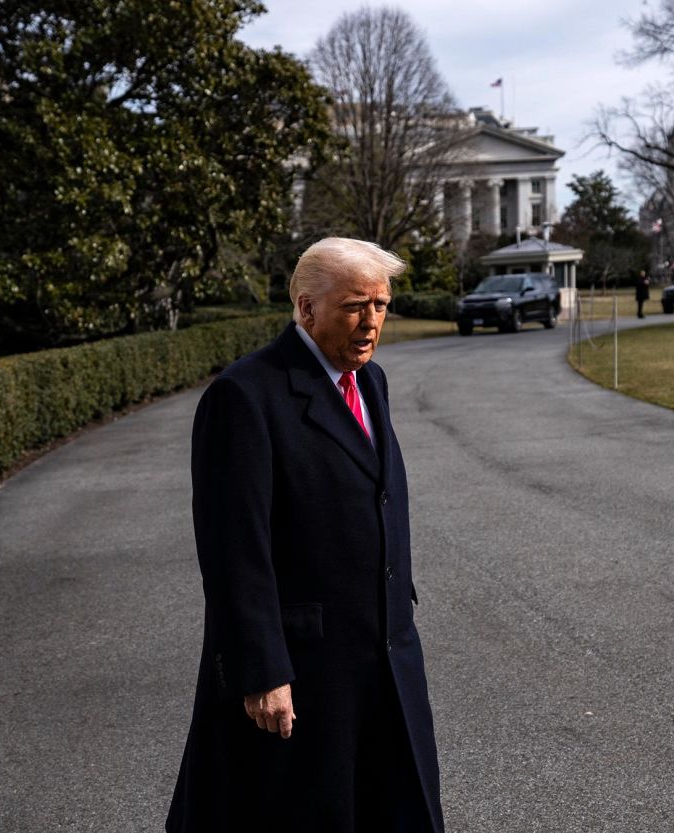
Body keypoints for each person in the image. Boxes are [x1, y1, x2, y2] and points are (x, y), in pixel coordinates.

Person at [165, 238, 443, 833]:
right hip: (304, 673)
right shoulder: (245, 396)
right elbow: (233, 550)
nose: (371, 323)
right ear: (305, 307)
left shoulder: (372, 382)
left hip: (386, 657)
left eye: (381, 304)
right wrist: (261, 669)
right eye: (353, 307)